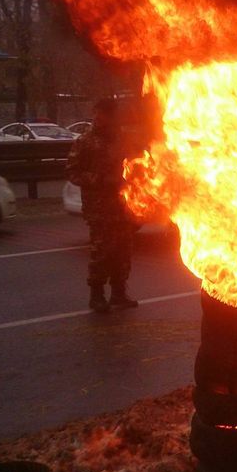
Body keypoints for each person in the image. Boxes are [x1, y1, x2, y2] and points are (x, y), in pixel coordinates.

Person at [67, 98, 139, 312]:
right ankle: (97, 296)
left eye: (105, 114)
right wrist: (99, 179)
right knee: (102, 252)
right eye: (97, 113)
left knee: (123, 251)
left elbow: (135, 164)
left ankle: (118, 294)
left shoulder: (123, 139)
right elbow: (72, 171)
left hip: (123, 206)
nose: (99, 118)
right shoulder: (85, 141)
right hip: (100, 209)